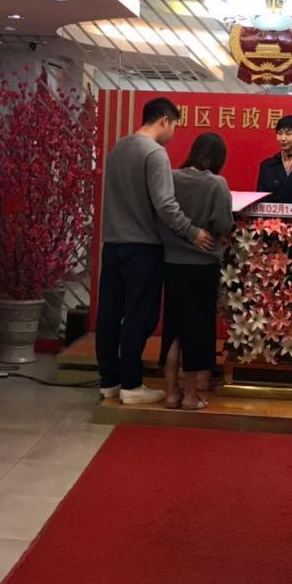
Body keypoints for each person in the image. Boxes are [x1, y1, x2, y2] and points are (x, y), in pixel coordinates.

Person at [97, 97, 215, 404]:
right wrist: (192, 232)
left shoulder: (118, 148)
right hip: (143, 248)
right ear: (164, 120)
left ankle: (109, 382)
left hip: (112, 245)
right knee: (140, 316)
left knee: (109, 315)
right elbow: (165, 204)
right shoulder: (155, 152)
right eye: (174, 125)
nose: (173, 132)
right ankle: (131, 385)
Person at [159, 132, 234, 411]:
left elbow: (163, 214)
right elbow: (223, 224)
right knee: (197, 331)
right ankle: (191, 396)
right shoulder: (217, 183)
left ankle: (171, 394)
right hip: (202, 267)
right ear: (218, 158)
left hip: (172, 263)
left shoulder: (172, 178)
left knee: (174, 331)